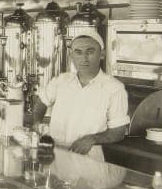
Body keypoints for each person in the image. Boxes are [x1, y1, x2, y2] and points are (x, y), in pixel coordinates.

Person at [30, 32, 129, 161]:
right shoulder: (61, 81)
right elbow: (41, 102)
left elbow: (119, 131)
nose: (84, 58)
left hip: (89, 161)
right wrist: (37, 122)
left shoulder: (114, 88)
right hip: (55, 156)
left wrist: (92, 139)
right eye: (78, 52)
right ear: (72, 56)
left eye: (90, 51)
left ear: (102, 54)